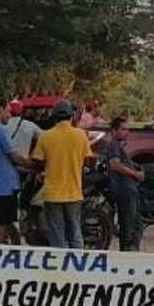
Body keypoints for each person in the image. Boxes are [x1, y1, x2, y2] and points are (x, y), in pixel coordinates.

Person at [32, 99, 92, 249]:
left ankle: (60, 267)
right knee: (75, 232)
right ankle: (78, 265)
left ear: (54, 117)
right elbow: (88, 160)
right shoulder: (81, 135)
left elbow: (37, 162)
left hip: (52, 194)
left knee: (57, 234)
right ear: (71, 116)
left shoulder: (45, 136)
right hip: (74, 193)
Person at [0, 99, 33, 244]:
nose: (10, 115)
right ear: (0, 110)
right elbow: (15, 156)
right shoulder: (0, 130)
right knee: (6, 223)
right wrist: (33, 164)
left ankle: (13, 250)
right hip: (6, 185)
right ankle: (1, 251)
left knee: (6, 223)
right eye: (8, 111)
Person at [96, 116, 145, 251]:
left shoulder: (118, 146)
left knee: (135, 225)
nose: (126, 132)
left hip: (128, 189)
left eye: (127, 129)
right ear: (113, 130)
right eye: (123, 129)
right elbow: (115, 165)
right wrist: (135, 174)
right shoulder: (114, 145)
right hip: (125, 190)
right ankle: (127, 254)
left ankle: (129, 252)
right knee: (129, 226)